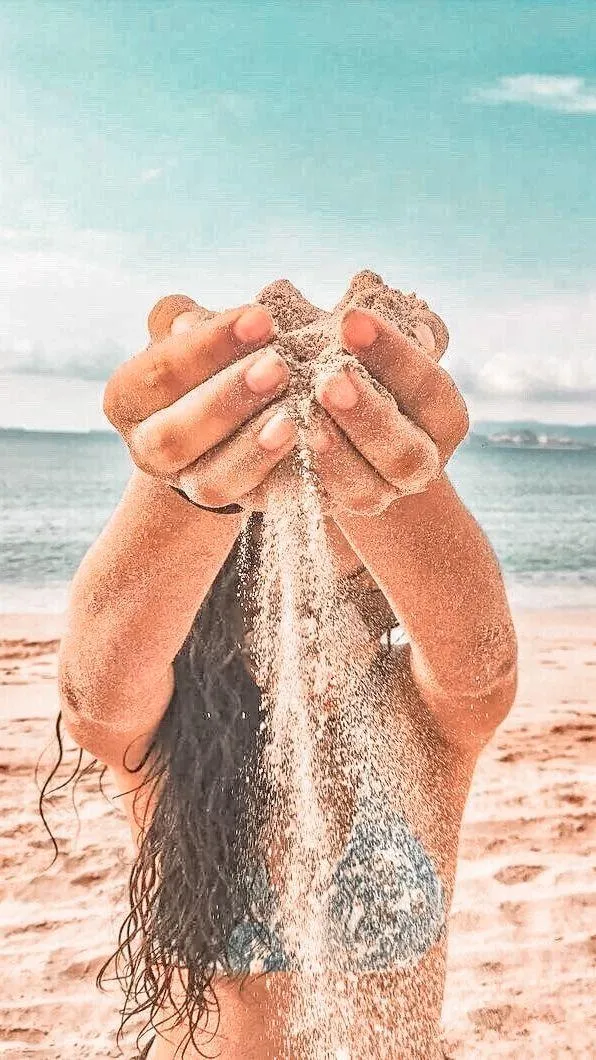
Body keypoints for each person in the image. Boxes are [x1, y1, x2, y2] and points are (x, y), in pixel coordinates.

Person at [41, 291, 518, 1059]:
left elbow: (480, 667)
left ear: (375, 578)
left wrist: (385, 451)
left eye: (340, 520)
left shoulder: (422, 723)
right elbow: (95, 694)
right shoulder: (177, 729)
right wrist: (188, 485)